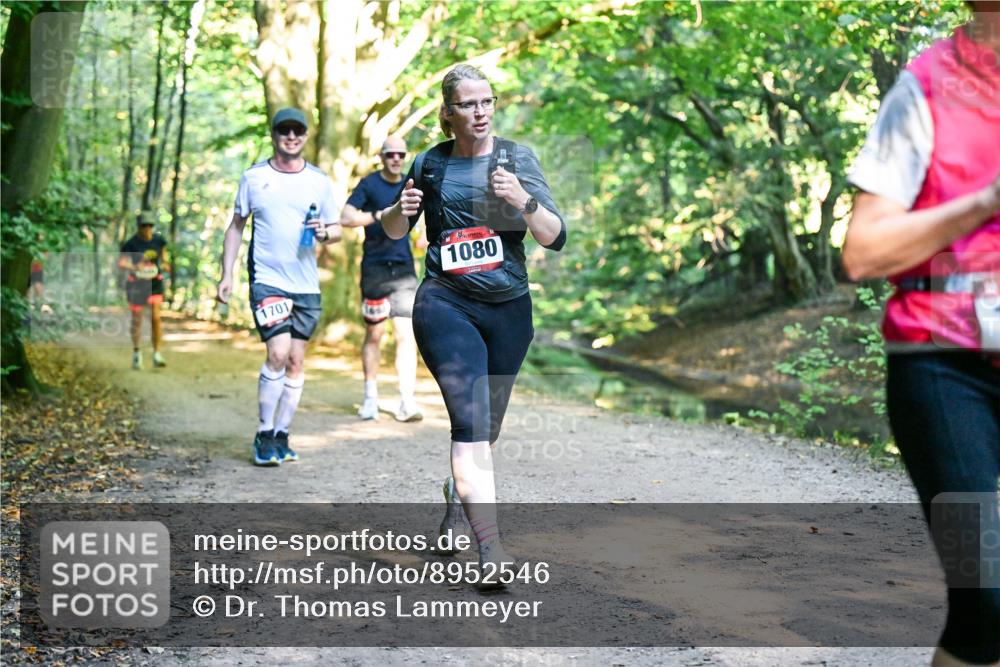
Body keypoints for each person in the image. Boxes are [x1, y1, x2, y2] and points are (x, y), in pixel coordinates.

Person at [843, 5, 999, 666]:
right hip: (945, 364)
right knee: (988, 596)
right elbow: (862, 253)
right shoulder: (929, 84)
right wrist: (988, 200)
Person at [381, 64, 566, 585]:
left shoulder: (516, 159)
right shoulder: (430, 164)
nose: (480, 112)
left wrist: (522, 201)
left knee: (487, 429)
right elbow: (397, 228)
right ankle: (492, 549)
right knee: (469, 423)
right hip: (445, 302)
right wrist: (400, 207)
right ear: (449, 112)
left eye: (487, 102)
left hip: (508, 308)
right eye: (468, 104)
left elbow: (553, 235)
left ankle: (456, 497)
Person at [216, 107, 342, 467]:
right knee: (278, 352)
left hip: (306, 285)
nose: (291, 136)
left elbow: (335, 230)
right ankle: (263, 431)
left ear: (305, 136)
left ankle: (282, 435)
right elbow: (236, 227)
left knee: (297, 361)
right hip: (268, 280)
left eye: (297, 131)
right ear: (274, 135)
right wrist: (227, 275)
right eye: (284, 131)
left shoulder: (318, 180)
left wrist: (325, 233)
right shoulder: (254, 177)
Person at [340, 137, 423, 423]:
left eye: (401, 154)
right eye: (391, 154)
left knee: (405, 334)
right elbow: (346, 217)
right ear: (382, 157)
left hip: (403, 269)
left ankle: (406, 401)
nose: (396, 159)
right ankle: (370, 399)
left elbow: (424, 218)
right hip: (375, 267)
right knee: (374, 334)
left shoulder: (411, 184)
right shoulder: (369, 184)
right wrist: (380, 215)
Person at [119, 214, 169, 370]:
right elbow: (121, 263)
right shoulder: (130, 244)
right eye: (144, 226)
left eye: (150, 226)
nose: (147, 229)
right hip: (137, 284)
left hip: (154, 282)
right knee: (137, 320)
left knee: (155, 317)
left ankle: (157, 354)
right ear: (138, 227)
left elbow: (164, 258)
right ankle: (136, 353)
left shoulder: (159, 241)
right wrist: (133, 267)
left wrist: (166, 264)